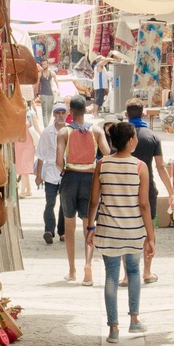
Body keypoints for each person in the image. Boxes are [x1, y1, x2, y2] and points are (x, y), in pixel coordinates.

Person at [86, 122, 155, 342]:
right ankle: (134, 320)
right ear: (130, 140)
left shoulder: (102, 164)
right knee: (133, 272)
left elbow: (93, 200)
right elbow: (144, 205)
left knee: (111, 276)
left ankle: (113, 329)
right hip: (133, 230)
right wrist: (150, 236)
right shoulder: (140, 166)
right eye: (135, 136)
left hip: (108, 230)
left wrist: (90, 226)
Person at [56, 95, 104, 284]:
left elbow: (59, 161)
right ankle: (88, 266)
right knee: (89, 225)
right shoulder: (96, 130)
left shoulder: (64, 132)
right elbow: (107, 154)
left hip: (70, 177)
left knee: (69, 226)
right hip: (90, 179)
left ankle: (72, 270)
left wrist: (65, 169)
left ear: (71, 112)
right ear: (86, 110)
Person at [124, 97, 172, 284]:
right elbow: (160, 167)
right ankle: (147, 271)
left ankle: (127, 275)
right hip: (147, 188)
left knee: (126, 231)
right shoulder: (152, 136)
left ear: (126, 114)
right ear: (143, 114)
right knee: (148, 230)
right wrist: (171, 192)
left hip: (125, 188)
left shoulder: (121, 134)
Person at [35, 102, 68, 244]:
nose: (60, 115)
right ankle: (49, 230)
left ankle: (62, 231)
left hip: (66, 173)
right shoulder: (47, 132)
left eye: (63, 113)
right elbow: (40, 155)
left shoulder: (70, 131)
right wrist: (38, 176)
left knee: (64, 204)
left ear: (66, 114)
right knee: (50, 203)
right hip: (50, 173)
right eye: (58, 113)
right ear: (54, 114)